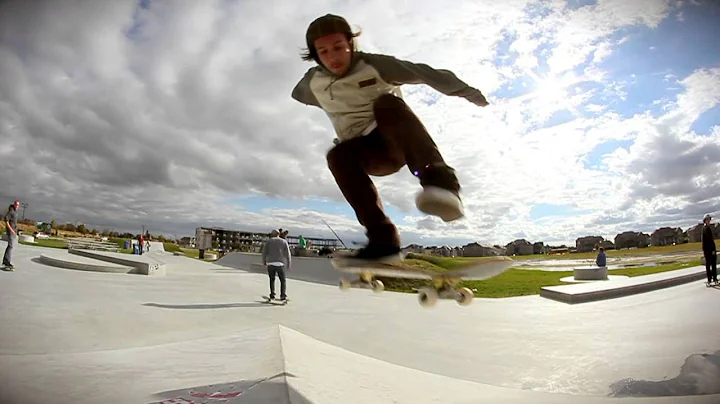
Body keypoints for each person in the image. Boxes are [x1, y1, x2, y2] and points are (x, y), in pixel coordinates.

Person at [291, 14, 489, 266]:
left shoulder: (376, 66)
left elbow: (424, 73)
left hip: (393, 140)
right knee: (337, 155)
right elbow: (297, 94)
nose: (333, 57)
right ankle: (383, 242)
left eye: (339, 47)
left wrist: (468, 92)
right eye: (324, 51)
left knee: (388, 104)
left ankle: (442, 185)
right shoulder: (312, 83)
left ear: (351, 44)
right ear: (316, 55)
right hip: (367, 155)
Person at [261, 229, 291, 300]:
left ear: (272, 234)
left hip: (270, 263)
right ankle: (283, 295)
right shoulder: (284, 241)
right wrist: (289, 263)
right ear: (279, 234)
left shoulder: (269, 241)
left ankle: (272, 294)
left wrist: (264, 262)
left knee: (272, 279)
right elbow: (288, 254)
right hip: (280, 264)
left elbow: (264, 252)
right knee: (282, 280)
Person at [3, 200, 20, 271]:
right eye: (16, 204)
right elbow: (6, 220)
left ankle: (5, 261)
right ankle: (7, 262)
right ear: (14, 204)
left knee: (10, 246)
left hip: (13, 232)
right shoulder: (11, 211)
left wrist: (16, 230)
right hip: (10, 232)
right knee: (10, 246)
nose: (17, 206)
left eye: (18, 205)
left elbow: (14, 222)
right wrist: (11, 230)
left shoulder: (15, 212)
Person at [701, 214, 717, 286]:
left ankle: (714, 279)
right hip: (709, 250)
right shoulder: (705, 229)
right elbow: (709, 241)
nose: (709, 221)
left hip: (708, 250)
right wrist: (712, 249)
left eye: (709, 219)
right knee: (709, 266)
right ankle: (710, 280)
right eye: (707, 219)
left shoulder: (707, 228)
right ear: (705, 220)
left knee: (713, 265)